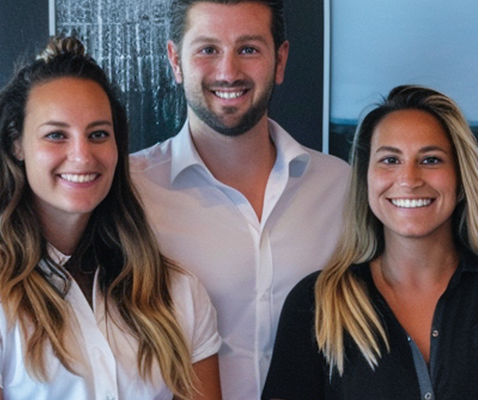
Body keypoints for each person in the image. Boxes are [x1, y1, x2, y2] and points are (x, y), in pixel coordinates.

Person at [0, 35, 224, 400]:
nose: (82, 155)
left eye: (98, 134)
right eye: (56, 135)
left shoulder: (178, 293)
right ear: (16, 144)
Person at [264, 85, 478, 400]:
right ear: (366, 178)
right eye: (390, 160)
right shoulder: (314, 304)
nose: (409, 179)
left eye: (431, 160)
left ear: (460, 178)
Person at [135, 0, 350, 397]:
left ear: (279, 61)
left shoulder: (340, 187)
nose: (228, 72)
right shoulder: (130, 193)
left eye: (248, 49)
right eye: (208, 49)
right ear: (175, 60)